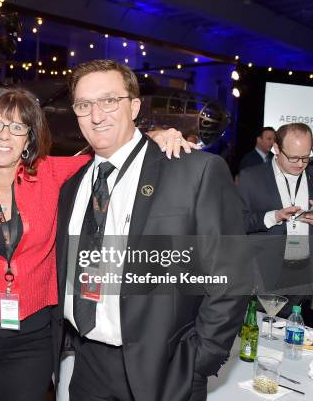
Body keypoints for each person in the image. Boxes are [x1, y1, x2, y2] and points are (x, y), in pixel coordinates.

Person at [0, 86, 195, 401]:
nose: (5, 135)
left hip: (32, 339)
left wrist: (155, 134)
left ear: (29, 138)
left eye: (17, 127)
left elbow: (111, 148)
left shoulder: (50, 175)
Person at [53, 59, 248, 401]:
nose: (97, 115)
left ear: (135, 106)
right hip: (87, 366)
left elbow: (231, 273)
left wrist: (199, 360)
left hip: (165, 370)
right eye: (85, 105)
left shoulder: (193, 171)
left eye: (110, 100)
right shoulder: (73, 186)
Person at [238, 123, 313, 316]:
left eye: (306, 157)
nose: (300, 164)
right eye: (293, 157)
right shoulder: (251, 177)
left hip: (303, 279)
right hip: (262, 277)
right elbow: (236, 221)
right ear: (276, 149)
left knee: (290, 337)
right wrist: (272, 216)